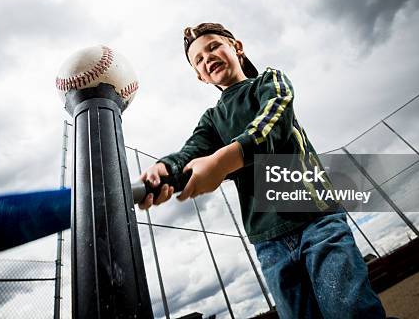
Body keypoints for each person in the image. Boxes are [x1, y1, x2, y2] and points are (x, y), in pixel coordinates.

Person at [138, 22, 386, 319]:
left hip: (316, 220)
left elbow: (273, 124)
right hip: (268, 243)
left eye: (214, 46)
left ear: (237, 48)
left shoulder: (269, 82)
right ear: (200, 76)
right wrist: (165, 170)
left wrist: (221, 162)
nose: (208, 58)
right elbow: (190, 153)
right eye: (199, 59)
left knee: (349, 311)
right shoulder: (213, 119)